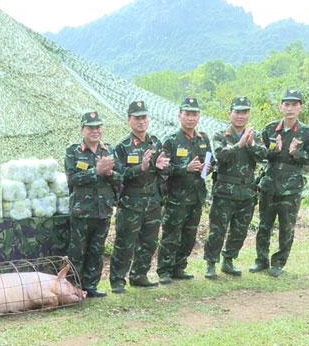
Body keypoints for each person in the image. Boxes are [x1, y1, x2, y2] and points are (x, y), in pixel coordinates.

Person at [252, 89, 309, 277]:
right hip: (269, 185)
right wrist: (274, 150)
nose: (290, 108)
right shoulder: (270, 129)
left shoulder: (307, 132)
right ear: (281, 107)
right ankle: (261, 261)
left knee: (286, 227)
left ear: (300, 107)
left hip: (291, 188)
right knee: (264, 225)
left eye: (294, 104)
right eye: (286, 104)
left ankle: (278, 263)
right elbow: (260, 154)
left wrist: (296, 152)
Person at [108, 101, 169, 293]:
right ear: (129, 120)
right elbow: (119, 174)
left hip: (152, 201)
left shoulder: (155, 142)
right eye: (137, 118)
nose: (141, 121)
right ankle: (118, 280)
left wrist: (161, 167)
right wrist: (140, 168)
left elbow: (163, 169)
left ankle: (139, 275)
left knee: (149, 241)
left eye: (144, 117)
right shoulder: (122, 147)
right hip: (131, 203)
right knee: (125, 242)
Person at [204, 96, 267, 279]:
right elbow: (221, 155)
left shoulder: (253, 135)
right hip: (225, 192)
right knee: (217, 230)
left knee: (239, 230)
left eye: (245, 112)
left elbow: (264, 156)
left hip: (247, 192)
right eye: (237, 111)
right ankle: (211, 263)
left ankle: (229, 260)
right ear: (230, 113)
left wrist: (251, 144)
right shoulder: (220, 135)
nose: (241, 116)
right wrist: (239, 145)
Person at [156, 97, 211, 284]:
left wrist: (206, 168)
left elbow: (209, 164)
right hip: (176, 198)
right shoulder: (171, 141)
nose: (190, 118)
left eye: (194, 114)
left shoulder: (204, 139)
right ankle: (164, 270)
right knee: (171, 235)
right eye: (187, 114)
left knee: (189, 235)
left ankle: (179, 267)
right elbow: (163, 169)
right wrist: (184, 169)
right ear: (180, 115)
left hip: (196, 197)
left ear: (199, 117)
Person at [64, 111, 118, 298]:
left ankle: (91, 285)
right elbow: (72, 179)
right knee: (77, 251)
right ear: (82, 129)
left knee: (97, 250)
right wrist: (96, 171)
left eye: (98, 127)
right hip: (82, 211)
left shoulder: (108, 151)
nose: (95, 131)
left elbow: (119, 178)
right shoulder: (73, 151)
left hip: (103, 210)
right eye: (91, 127)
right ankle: (72, 288)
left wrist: (111, 174)